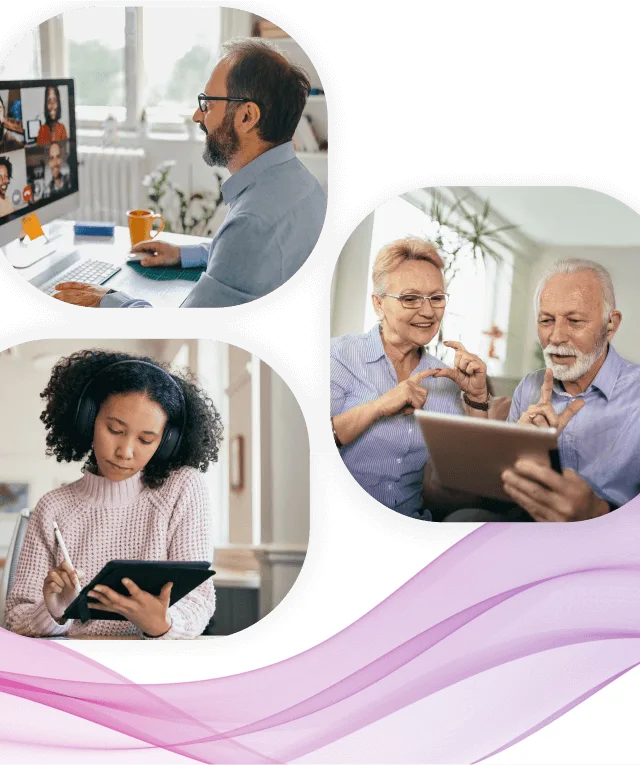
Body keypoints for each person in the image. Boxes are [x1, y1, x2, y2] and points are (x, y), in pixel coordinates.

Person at [52, 38, 327, 309]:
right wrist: (186, 254)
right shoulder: (306, 187)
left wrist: (109, 300)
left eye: (207, 104)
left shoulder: (251, 223)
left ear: (246, 116)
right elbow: (252, 260)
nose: (198, 116)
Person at [5, 350, 223, 638]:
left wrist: (162, 623)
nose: (126, 451)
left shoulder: (183, 488)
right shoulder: (53, 507)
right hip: (77, 669)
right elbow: (15, 616)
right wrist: (55, 612)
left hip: (154, 669)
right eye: (115, 429)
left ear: (166, 443)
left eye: (146, 439)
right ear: (88, 420)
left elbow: (199, 601)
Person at [446, 258, 640, 522]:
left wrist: (598, 513)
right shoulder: (529, 387)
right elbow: (498, 489)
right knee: (461, 518)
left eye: (574, 320)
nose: (556, 336)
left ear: (610, 324)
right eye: (547, 320)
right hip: (529, 525)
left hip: (613, 538)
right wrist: (516, 449)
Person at [330, 238, 491, 520]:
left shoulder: (444, 378)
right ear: (379, 304)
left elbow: (470, 477)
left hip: (410, 526)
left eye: (436, 298)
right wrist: (378, 406)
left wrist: (477, 400)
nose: (428, 312)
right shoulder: (339, 356)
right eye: (410, 298)